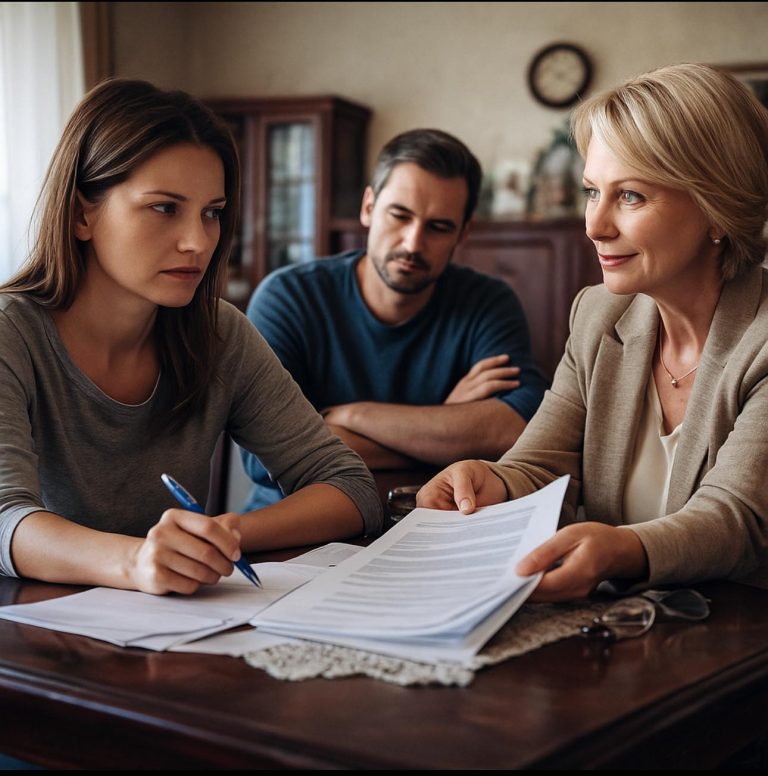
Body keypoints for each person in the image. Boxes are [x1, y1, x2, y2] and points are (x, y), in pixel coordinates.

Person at [0, 78, 382, 596]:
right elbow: (4, 518)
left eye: (213, 213)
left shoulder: (221, 333)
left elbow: (350, 487)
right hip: (36, 641)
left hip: (174, 635)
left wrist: (220, 536)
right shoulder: (11, 333)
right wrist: (136, 562)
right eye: (164, 208)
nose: (198, 241)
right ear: (80, 213)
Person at [417, 63, 768, 600]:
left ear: (716, 210)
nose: (594, 225)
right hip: (626, 637)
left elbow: (736, 519)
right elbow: (541, 464)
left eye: (630, 195)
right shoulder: (598, 315)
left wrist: (622, 549)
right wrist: (491, 481)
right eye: (591, 191)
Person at [241, 128, 548, 510]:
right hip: (294, 530)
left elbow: (518, 431)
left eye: (438, 227)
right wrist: (447, 428)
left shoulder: (488, 302)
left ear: (463, 233)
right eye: (399, 216)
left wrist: (347, 416)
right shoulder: (288, 298)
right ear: (368, 206)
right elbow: (266, 458)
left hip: (433, 525)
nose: (412, 243)